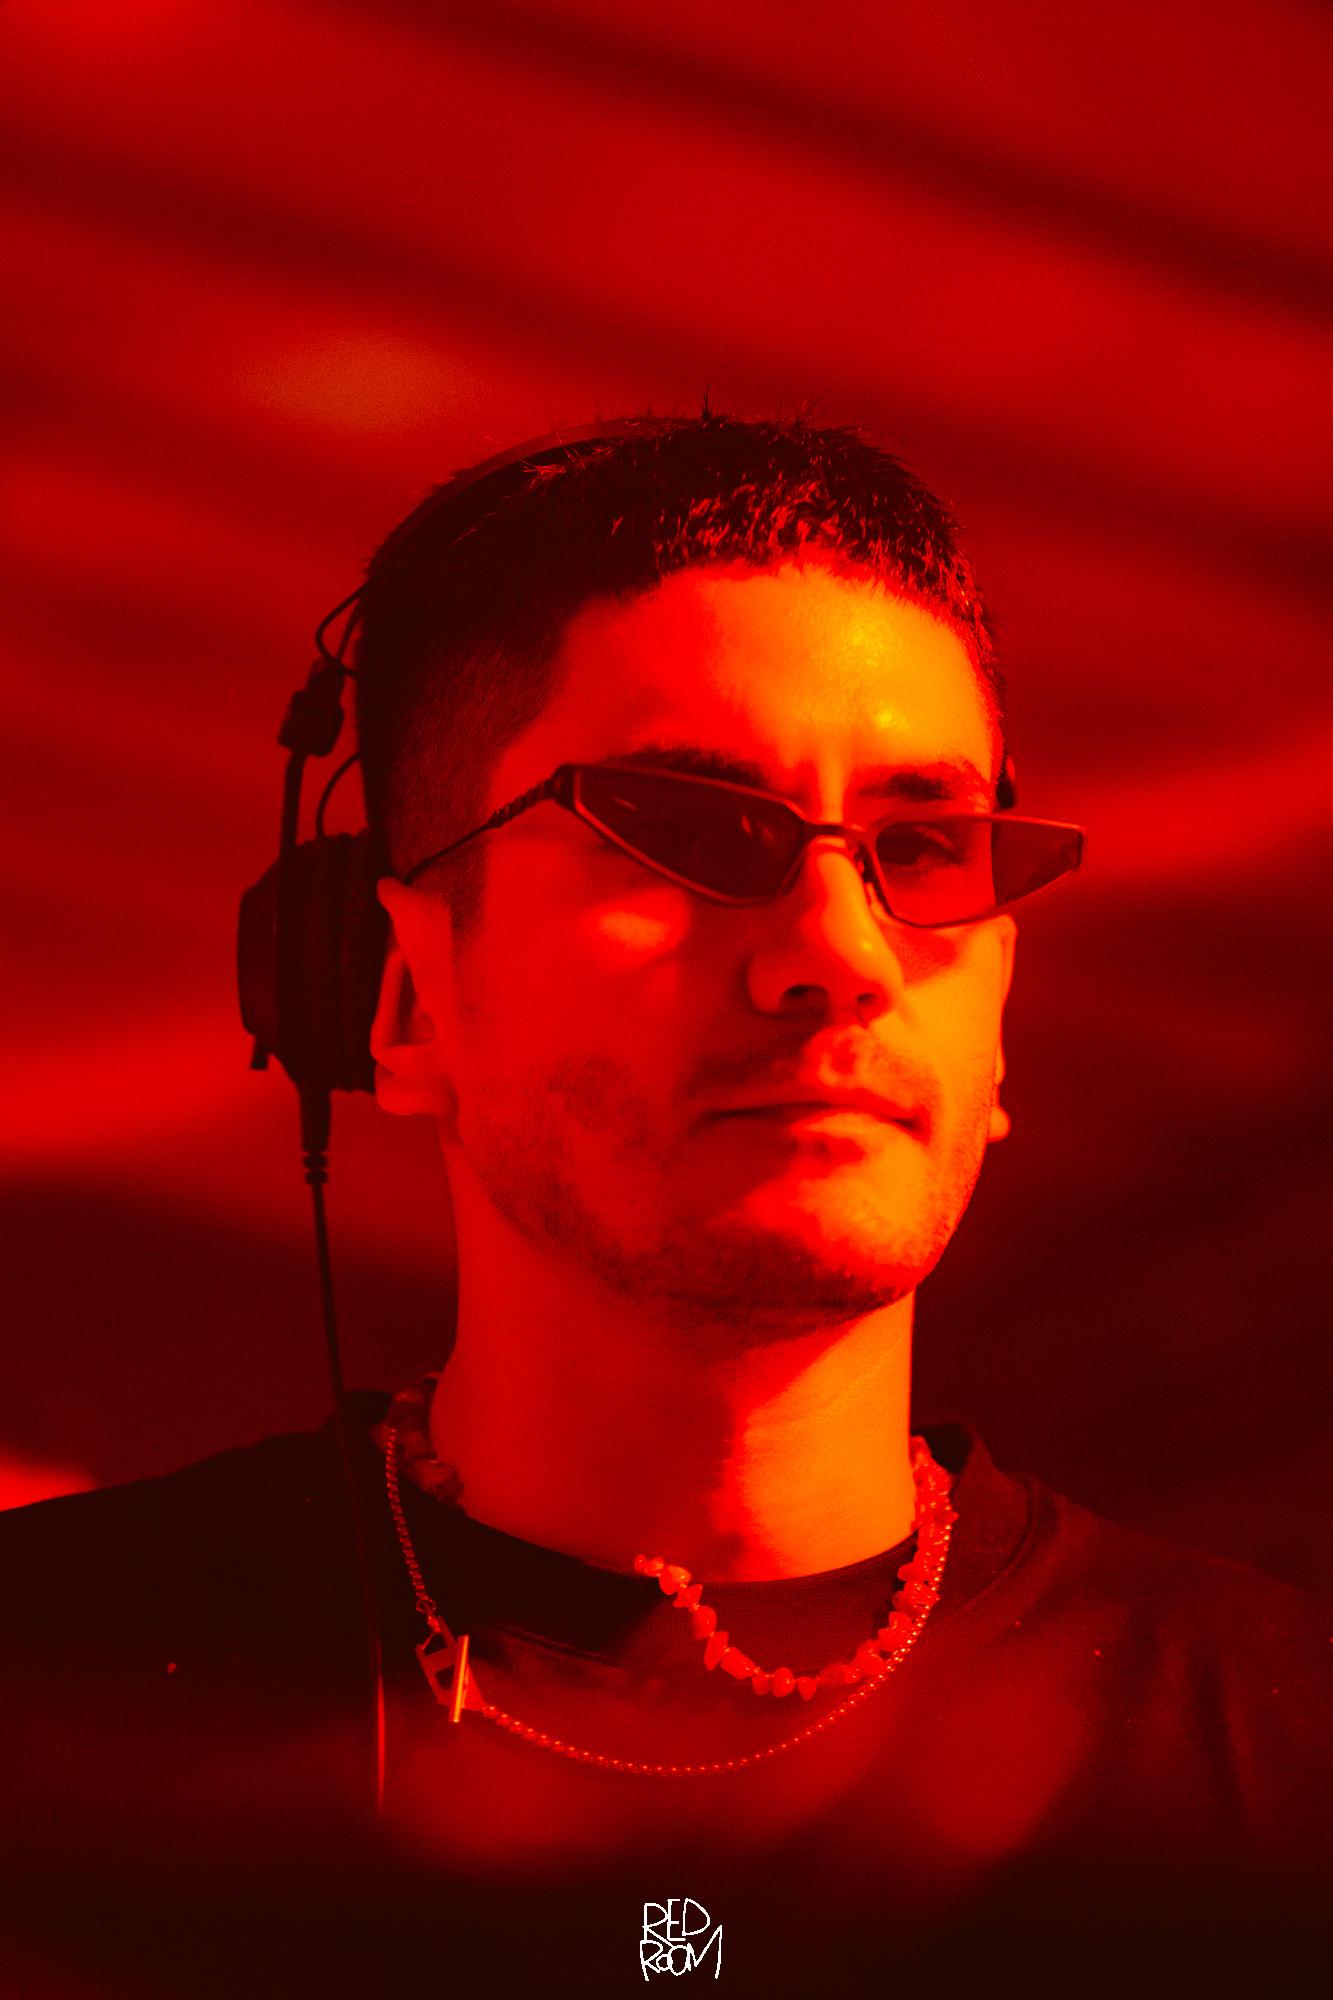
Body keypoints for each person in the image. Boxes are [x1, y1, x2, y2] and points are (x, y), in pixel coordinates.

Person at [1, 412, 1326, 1995]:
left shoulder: (1288, 1759)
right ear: (398, 997)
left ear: (996, 1027)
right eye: (689, 835)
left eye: (921, 848)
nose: (839, 952)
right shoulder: (45, 1706)